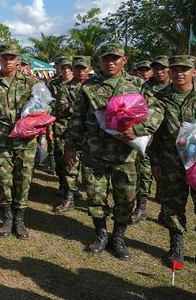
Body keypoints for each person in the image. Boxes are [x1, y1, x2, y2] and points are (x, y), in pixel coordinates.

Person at [65, 43, 162, 260]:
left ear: (124, 60)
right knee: (95, 195)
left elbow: (156, 110)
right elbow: (78, 118)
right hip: (95, 152)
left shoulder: (138, 84)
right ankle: (100, 233)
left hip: (125, 154)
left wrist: (137, 130)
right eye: (106, 59)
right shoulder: (89, 87)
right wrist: (71, 146)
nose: (110, 62)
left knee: (125, 198)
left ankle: (118, 237)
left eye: (115, 58)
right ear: (99, 62)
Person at [0, 44, 39, 240]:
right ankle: (7, 217)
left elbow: (43, 107)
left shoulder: (31, 83)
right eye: (4, 57)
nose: (8, 61)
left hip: (26, 140)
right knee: (5, 180)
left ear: (18, 59)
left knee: (23, 179)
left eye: (12, 57)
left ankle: (20, 219)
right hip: (1, 139)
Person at [151, 55, 196, 266]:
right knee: (172, 207)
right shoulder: (159, 98)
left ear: (193, 72)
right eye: (175, 69)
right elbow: (155, 135)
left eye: (185, 69)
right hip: (170, 162)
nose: (180, 73)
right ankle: (176, 248)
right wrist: (155, 161)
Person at [132, 56, 170, 224]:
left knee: (167, 175)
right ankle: (141, 208)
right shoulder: (145, 86)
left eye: (162, 68)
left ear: (169, 69)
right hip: (148, 136)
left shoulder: (174, 85)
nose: (159, 71)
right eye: (155, 68)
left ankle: (165, 209)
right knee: (144, 172)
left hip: (169, 139)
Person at [53, 56, 91, 213]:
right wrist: (82, 108)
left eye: (83, 68)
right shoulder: (65, 87)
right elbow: (61, 108)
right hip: (70, 130)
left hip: (92, 133)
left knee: (91, 169)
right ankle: (69, 197)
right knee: (70, 165)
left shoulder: (95, 86)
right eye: (77, 68)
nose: (79, 71)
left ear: (89, 69)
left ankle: (94, 201)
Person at [47, 56, 74, 197]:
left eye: (69, 67)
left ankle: (72, 187)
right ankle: (63, 184)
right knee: (59, 156)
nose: (67, 70)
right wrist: (49, 127)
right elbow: (49, 106)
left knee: (74, 159)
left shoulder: (81, 83)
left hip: (76, 126)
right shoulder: (53, 84)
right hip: (59, 125)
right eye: (63, 67)